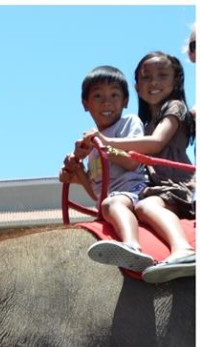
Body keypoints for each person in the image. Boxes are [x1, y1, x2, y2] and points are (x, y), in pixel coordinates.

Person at [84, 51, 195, 283]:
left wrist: (108, 143)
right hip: (154, 187)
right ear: (136, 87)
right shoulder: (145, 123)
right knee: (136, 204)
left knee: (145, 207)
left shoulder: (174, 109)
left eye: (162, 75)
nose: (153, 82)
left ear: (176, 82)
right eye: (146, 77)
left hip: (175, 185)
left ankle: (183, 249)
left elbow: (156, 144)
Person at [59, 65, 151, 272]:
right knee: (106, 204)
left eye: (115, 95)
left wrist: (102, 145)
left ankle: (133, 246)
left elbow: (132, 162)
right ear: (86, 104)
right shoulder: (93, 144)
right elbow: (95, 191)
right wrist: (76, 167)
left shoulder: (128, 123)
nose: (107, 101)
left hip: (133, 192)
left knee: (111, 204)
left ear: (126, 100)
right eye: (98, 96)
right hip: (108, 199)